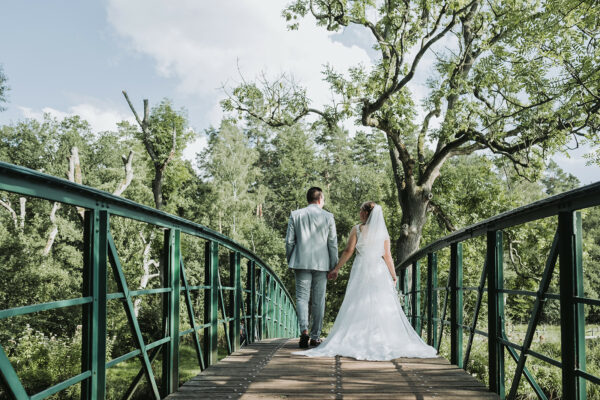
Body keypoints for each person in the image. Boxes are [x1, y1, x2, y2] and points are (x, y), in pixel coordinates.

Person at [294, 202, 437, 360]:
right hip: (379, 269)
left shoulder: (357, 229)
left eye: (361, 210)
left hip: (361, 268)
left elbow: (348, 251)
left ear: (367, 214)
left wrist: (336, 268)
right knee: (379, 302)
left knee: (357, 301)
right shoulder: (383, 232)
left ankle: (358, 337)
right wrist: (393, 274)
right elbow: (387, 256)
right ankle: (378, 338)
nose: (359, 212)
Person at [286, 187, 338, 348]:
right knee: (318, 300)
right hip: (322, 264)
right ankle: (315, 337)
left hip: (301, 262)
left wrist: (291, 259)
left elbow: (289, 242)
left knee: (302, 299)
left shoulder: (296, 215)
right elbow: (332, 243)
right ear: (320, 199)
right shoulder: (328, 217)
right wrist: (334, 266)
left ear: (308, 199)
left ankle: (304, 332)